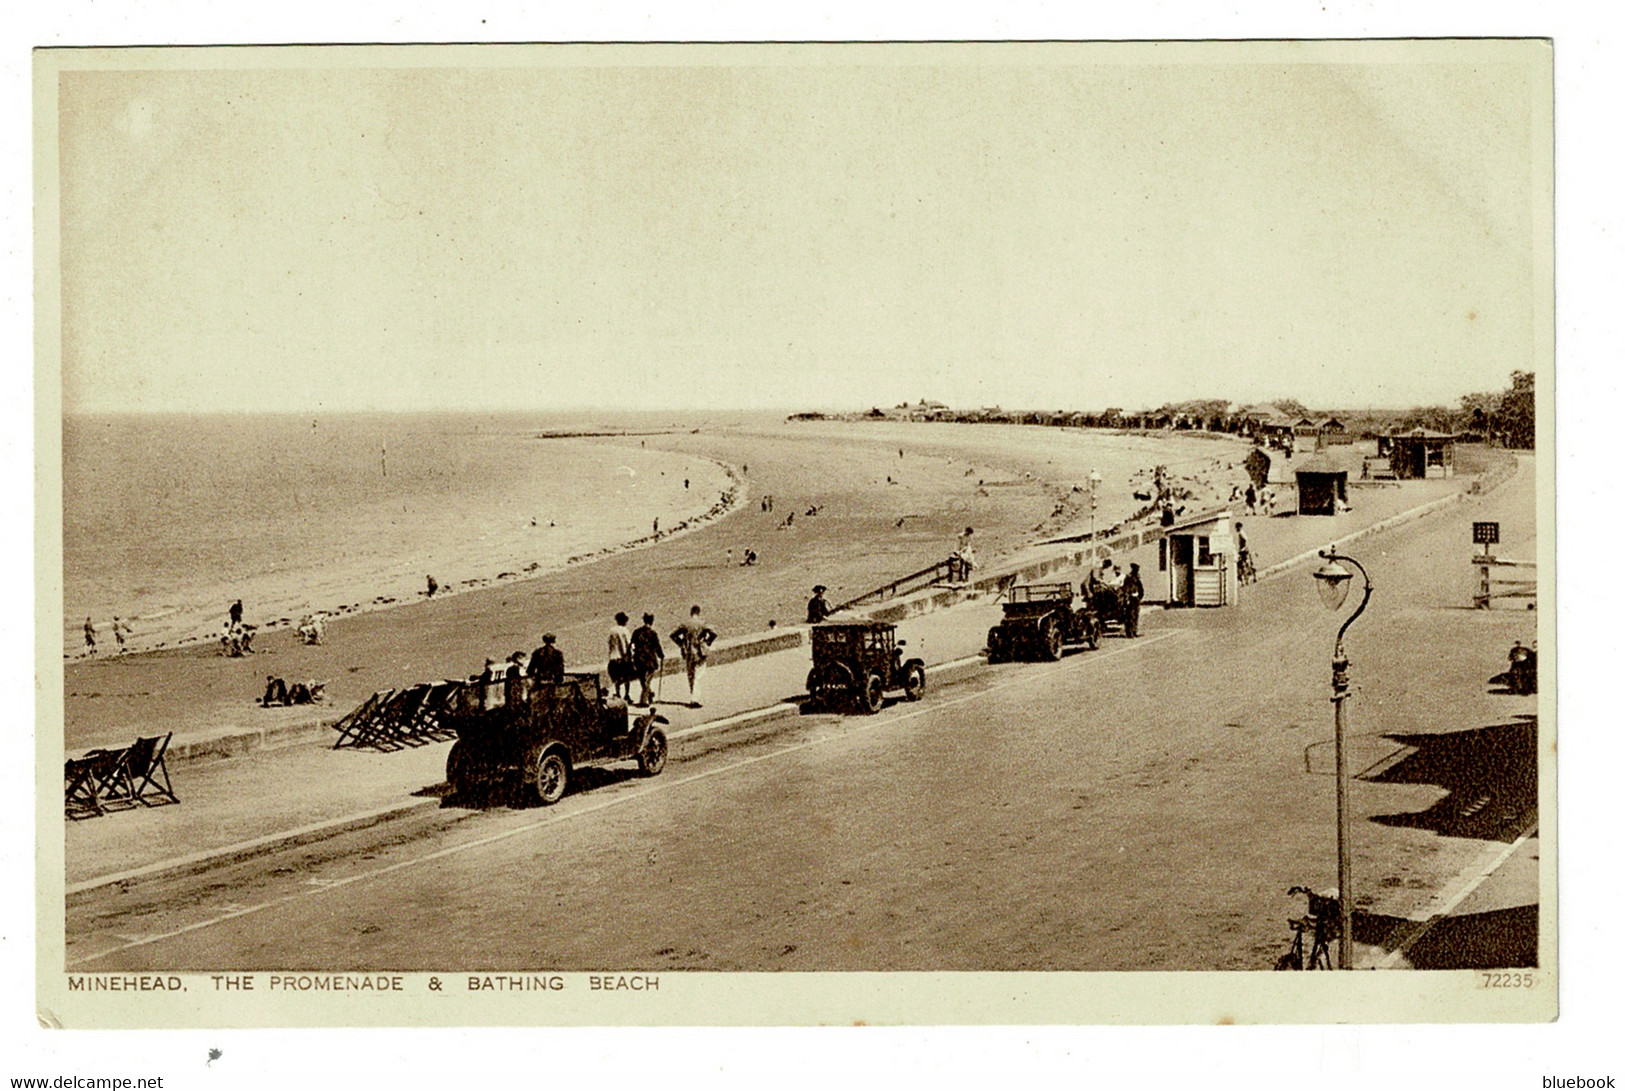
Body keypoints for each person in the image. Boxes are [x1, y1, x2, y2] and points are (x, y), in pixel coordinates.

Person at [671, 605, 717, 709]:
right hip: (699, 651)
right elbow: (714, 633)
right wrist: (707, 642)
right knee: (697, 674)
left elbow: (673, 635)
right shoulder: (702, 623)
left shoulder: (685, 624)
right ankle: (694, 699)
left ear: (691, 612)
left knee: (691, 675)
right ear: (698, 613)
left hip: (688, 652)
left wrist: (681, 643)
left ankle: (693, 696)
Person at [630, 613, 665, 707]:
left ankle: (649, 694)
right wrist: (661, 655)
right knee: (648, 679)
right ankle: (644, 700)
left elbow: (632, 645)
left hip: (639, 658)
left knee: (642, 679)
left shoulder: (636, 632)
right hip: (650, 659)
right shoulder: (653, 633)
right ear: (652, 621)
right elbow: (657, 646)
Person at [606, 612, 634, 699]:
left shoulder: (612, 630)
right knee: (627, 677)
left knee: (616, 678)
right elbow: (629, 644)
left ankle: (618, 693)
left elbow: (609, 643)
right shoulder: (625, 630)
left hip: (613, 657)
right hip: (623, 657)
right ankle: (626, 695)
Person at [1122, 563, 1145, 638]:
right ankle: (1129, 632)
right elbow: (1126, 588)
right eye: (1136, 569)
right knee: (1130, 616)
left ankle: (1134, 631)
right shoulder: (1128, 577)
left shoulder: (1137, 577)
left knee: (1135, 615)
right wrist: (1127, 598)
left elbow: (1140, 587)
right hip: (1130, 598)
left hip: (1136, 598)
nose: (1137, 570)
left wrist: (1140, 596)